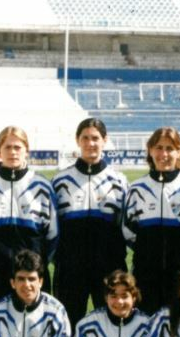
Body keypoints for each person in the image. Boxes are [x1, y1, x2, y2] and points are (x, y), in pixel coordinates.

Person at [0, 126, 58, 319]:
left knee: (36, 322)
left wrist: (39, 261)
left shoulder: (42, 185)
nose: (13, 152)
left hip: (32, 270)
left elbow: (53, 233)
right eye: (7, 147)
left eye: (18, 147)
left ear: (26, 150)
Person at [123, 127, 180, 314]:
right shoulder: (137, 189)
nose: (164, 154)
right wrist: (148, 252)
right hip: (146, 275)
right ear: (150, 150)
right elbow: (128, 231)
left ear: (179, 151)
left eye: (170, 148)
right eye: (159, 147)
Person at [52, 118, 128, 323]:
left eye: (95, 138)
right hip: (70, 267)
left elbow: (125, 226)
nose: (90, 143)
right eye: (85, 138)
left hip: (108, 265)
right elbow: (53, 226)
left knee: (110, 321)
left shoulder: (119, 180)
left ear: (105, 140)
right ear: (77, 140)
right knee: (68, 320)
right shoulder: (61, 180)